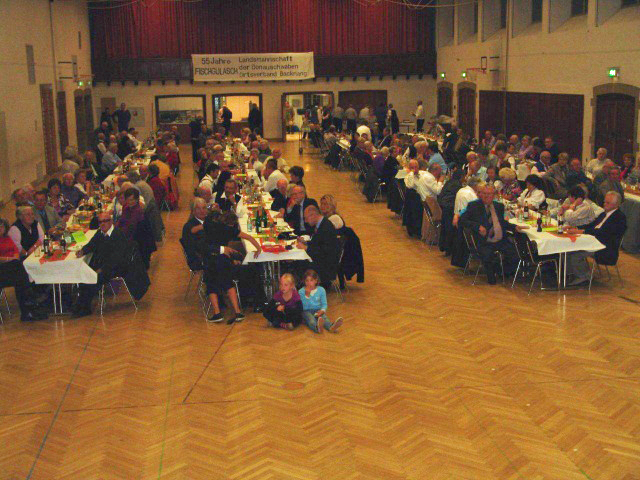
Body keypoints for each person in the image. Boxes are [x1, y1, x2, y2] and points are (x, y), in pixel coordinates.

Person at [201, 210, 260, 323]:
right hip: (223, 259)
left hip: (211, 259)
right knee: (229, 283)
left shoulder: (209, 226)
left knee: (211, 285)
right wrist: (258, 248)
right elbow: (249, 237)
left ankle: (217, 313)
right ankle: (237, 312)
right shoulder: (229, 230)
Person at [72, 211, 131, 317]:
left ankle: (84, 308)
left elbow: (117, 259)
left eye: (105, 221)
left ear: (111, 222)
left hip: (116, 267)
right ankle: (81, 305)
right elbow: (91, 244)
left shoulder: (118, 235)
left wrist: (102, 269)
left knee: (93, 278)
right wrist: (83, 251)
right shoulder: (100, 233)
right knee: (85, 274)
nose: (102, 224)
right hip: (103, 264)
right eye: (100, 222)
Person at [460, 184, 520, 284]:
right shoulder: (474, 206)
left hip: (500, 239)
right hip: (484, 241)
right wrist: (477, 226)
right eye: (484, 193)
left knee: (515, 254)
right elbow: (462, 220)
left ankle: (501, 271)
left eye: (490, 194)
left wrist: (514, 227)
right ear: (480, 194)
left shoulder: (499, 206)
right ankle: (493, 271)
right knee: (489, 261)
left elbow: (502, 223)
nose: (487, 196)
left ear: (494, 195)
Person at [565, 191, 627, 286]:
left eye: (608, 203)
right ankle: (571, 273)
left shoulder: (619, 217)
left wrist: (582, 231)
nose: (604, 204)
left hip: (605, 247)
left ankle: (584, 276)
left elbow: (603, 233)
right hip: (594, 241)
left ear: (616, 204)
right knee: (569, 249)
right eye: (604, 202)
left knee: (575, 254)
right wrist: (576, 228)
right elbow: (591, 225)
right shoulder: (604, 214)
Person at [0, 218, 48, 321]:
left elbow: (16, 251)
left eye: (2, 226)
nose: (1, 228)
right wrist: (9, 258)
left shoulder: (7, 238)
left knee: (20, 277)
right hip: (3, 269)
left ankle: (28, 308)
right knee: (20, 274)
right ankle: (32, 302)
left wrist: (14, 258)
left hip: (12, 266)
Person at [296, 205, 340, 290]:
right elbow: (318, 244)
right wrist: (305, 243)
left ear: (313, 215)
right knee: (298, 261)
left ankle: (301, 289)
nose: (305, 221)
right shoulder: (321, 224)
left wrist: (306, 248)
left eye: (306, 218)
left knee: (298, 263)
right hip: (323, 261)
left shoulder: (326, 227)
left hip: (326, 266)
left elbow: (324, 252)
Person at [299, 269, 343, 333]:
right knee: (311, 321)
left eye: (311, 280)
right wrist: (307, 295)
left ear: (316, 280)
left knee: (324, 319)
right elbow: (303, 307)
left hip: (318, 310)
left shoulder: (321, 290)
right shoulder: (301, 291)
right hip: (306, 311)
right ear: (304, 281)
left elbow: (324, 304)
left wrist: (322, 310)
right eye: (307, 281)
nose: (309, 283)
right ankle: (317, 328)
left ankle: (331, 327)